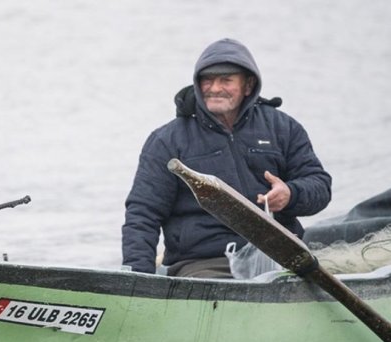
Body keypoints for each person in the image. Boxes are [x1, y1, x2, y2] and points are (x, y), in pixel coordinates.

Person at [121, 38, 332, 278]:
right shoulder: (167, 140)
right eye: (207, 80)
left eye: (226, 80)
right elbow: (143, 214)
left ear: (248, 86)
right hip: (204, 263)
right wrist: (138, 278)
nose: (214, 88)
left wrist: (290, 194)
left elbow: (320, 186)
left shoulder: (283, 127)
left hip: (282, 257)